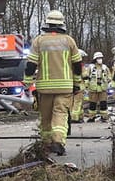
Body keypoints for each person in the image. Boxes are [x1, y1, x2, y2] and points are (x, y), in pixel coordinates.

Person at [25, 10, 83, 154]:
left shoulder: (38, 41)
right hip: (65, 87)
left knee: (45, 117)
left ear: (47, 23)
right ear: (62, 24)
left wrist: (27, 82)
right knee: (60, 114)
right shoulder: (69, 41)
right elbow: (77, 64)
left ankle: (46, 144)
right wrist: (76, 83)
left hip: (44, 88)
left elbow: (31, 65)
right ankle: (58, 141)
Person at [85, 52, 110, 120]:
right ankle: (92, 117)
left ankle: (104, 116)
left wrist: (108, 81)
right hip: (93, 88)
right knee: (92, 103)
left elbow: (109, 76)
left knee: (103, 103)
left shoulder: (105, 67)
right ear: (95, 59)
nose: (100, 59)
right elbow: (86, 76)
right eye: (98, 58)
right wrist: (87, 85)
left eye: (101, 58)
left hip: (102, 88)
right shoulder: (91, 67)